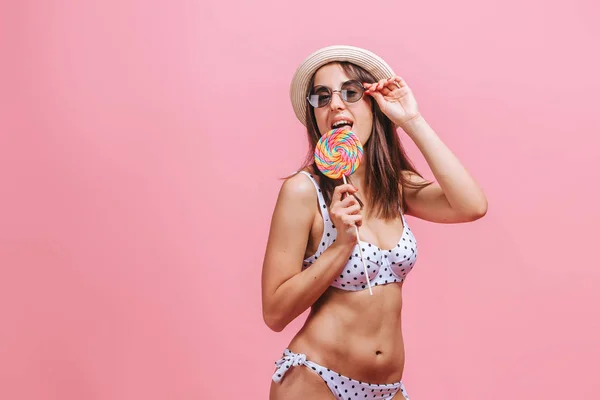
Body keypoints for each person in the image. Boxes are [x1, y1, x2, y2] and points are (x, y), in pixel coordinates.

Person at [261, 45, 488, 400]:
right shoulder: (303, 191)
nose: (335, 104)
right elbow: (274, 313)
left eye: (350, 93)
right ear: (315, 114)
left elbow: (471, 206)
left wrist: (411, 120)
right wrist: (341, 247)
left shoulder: (393, 187)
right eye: (322, 97)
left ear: (374, 106)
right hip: (315, 380)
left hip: (388, 389)